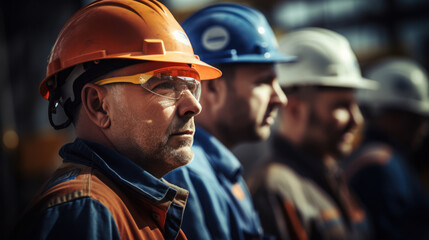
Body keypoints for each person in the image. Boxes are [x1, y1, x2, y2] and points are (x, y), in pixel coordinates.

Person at [13, 0, 221, 239]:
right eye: (164, 85)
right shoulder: (83, 212)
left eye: (192, 87)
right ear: (99, 105)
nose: (194, 106)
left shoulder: (128, 205)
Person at [164, 3, 295, 240]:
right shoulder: (190, 176)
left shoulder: (215, 171)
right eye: (264, 82)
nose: (281, 99)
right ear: (213, 87)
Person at [248, 28, 375, 240]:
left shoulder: (332, 175)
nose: (357, 119)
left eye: (355, 105)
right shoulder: (275, 189)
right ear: (296, 109)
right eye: (342, 106)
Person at [345, 58, 429, 240]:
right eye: (415, 119)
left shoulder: (389, 160)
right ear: (390, 114)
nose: (423, 129)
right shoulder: (380, 167)